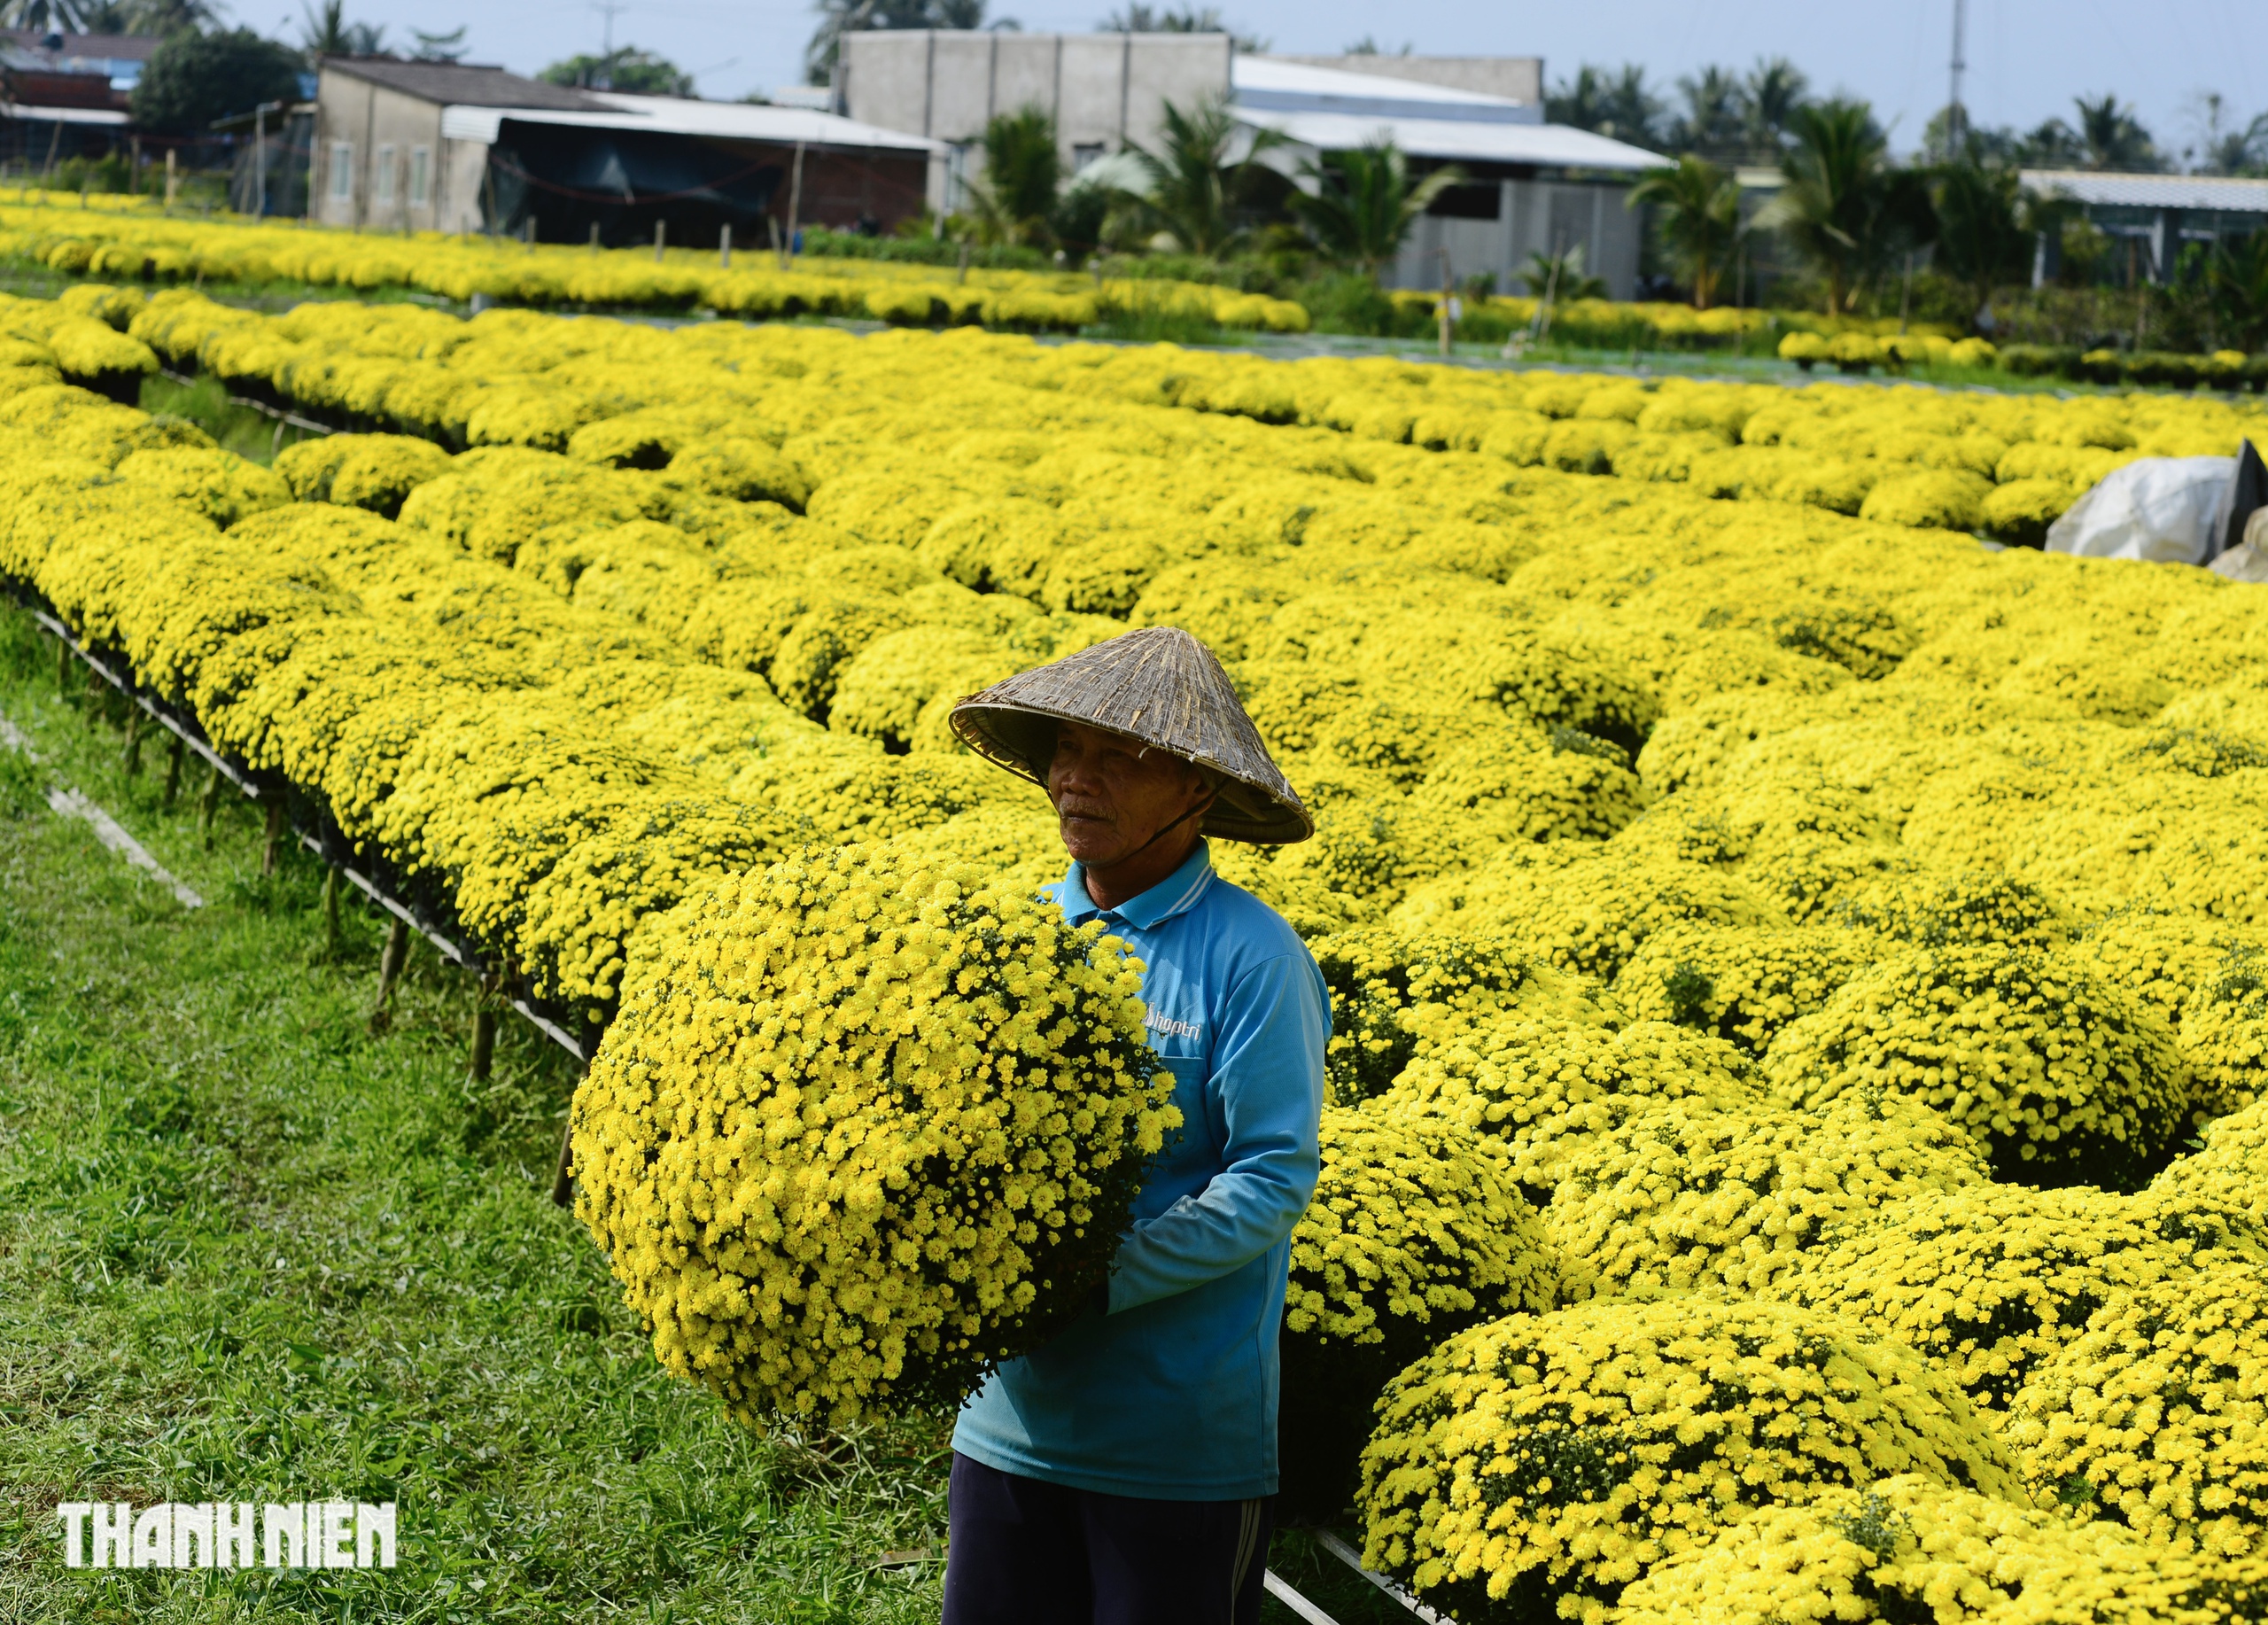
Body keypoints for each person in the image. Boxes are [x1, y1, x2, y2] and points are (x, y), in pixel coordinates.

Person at [941, 626, 1330, 1625]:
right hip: (1008, 1420)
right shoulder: (1020, 934)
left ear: (1196, 790)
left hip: (1173, 1447)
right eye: (1068, 750)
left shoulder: (1255, 957)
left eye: (1122, 758)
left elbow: (1269, 1178)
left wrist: (1091, 1277)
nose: (1080, 779)